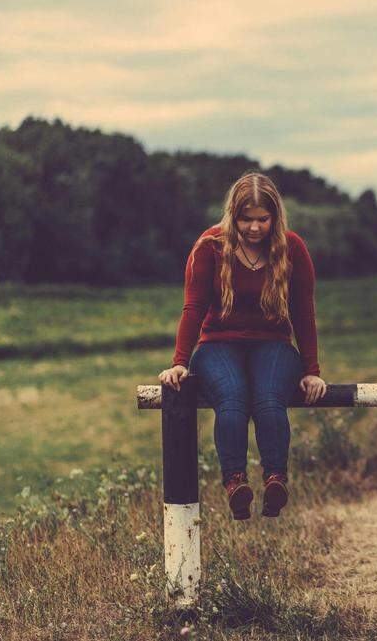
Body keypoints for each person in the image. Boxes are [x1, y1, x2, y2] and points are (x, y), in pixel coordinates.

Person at [158, 172, 327, 520]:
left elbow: (304, 313)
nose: (253, 228)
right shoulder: (210, 246)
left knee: (268, 398)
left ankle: (275, 480)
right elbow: (194, 307)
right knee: (232, 398)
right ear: (232, 216)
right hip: (218, 343)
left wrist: (312, 371)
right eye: (245, 219)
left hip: (274, 344)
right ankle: (236, 484)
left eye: (262, 219)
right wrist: (179, 361)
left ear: (275, 217)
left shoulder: (292, 248)